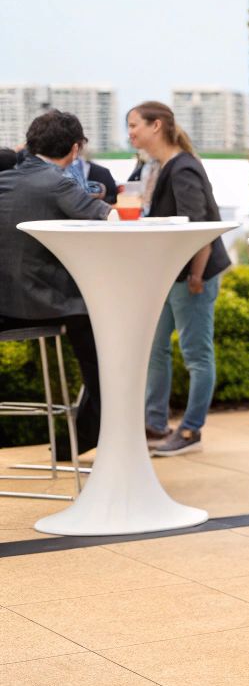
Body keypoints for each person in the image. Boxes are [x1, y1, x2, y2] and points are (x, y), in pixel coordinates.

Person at [0, 111, 110, 460]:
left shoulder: (5, 177)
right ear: (75, 149)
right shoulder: (57, 183)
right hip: (39, 305)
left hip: (3, 308)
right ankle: (89, 436)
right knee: (106, 336)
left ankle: (79, 440)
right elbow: (107, 220)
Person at [131, 102, 231, 456]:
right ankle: (154, 425)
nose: (130, 133)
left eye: (134, 125)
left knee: (196, 355)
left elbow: (200, 227)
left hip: (192, 276)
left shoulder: (183, 168)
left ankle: (190, 431)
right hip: (170, 275)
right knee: (155, 349)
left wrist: (197, 275)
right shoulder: (160, 167)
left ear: (156, 126)